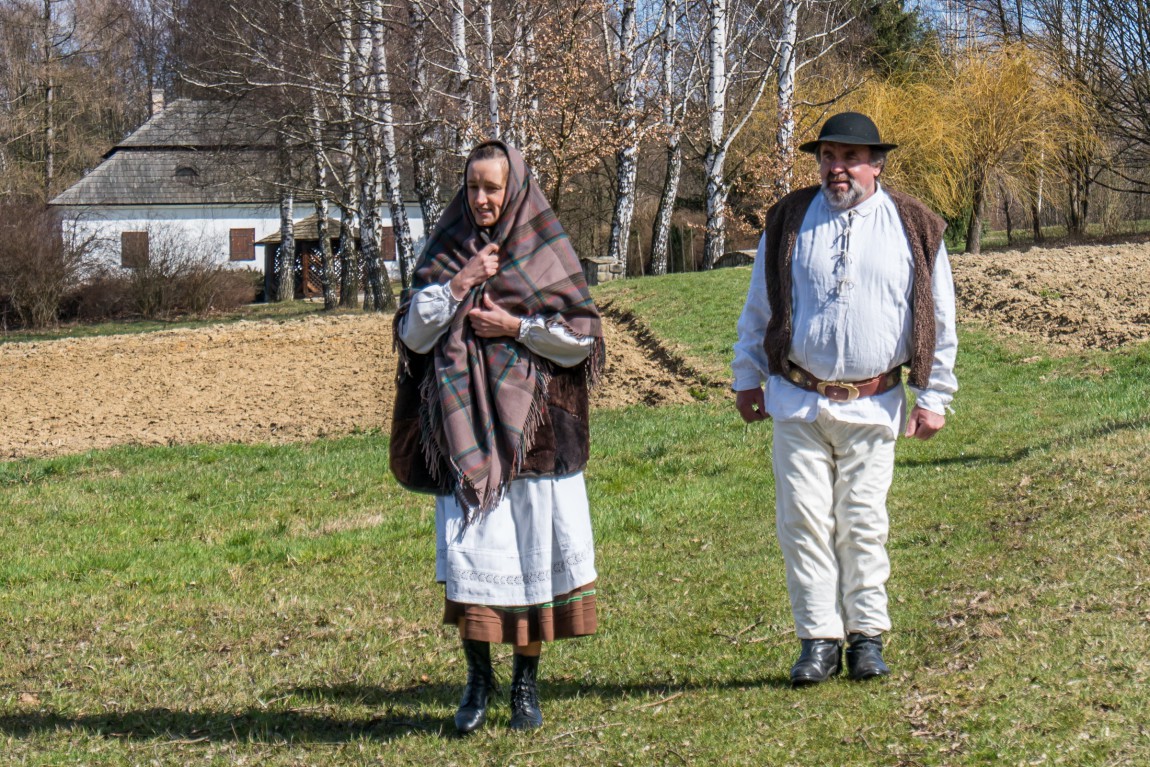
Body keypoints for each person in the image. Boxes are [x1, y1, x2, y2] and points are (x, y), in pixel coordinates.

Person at [732, 112, 958, 687]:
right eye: (828, 157)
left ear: (876, 164)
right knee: (802, 521)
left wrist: (934, 394)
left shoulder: (914, 225)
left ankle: (866, 638)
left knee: (861, 521)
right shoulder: (788, 219)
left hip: (873, 402)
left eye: (850, 158)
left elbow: (939, 319)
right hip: (798, 399)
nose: (837, 169)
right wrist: (747, 376)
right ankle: (817, 640)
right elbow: (760, 305)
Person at [392, 140, 604, 733]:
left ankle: (525, 688)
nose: (482, 199)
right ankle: (478, 683)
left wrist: (514, 326)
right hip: (464, 436)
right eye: (473, 187)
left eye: (493, 187)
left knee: (531, 562)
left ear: (514, 189)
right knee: (474, 560)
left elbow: (581, 339)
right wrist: (461, 283)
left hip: (536, 439)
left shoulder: (544, 248)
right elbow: (413, 334)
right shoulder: (445, 250)